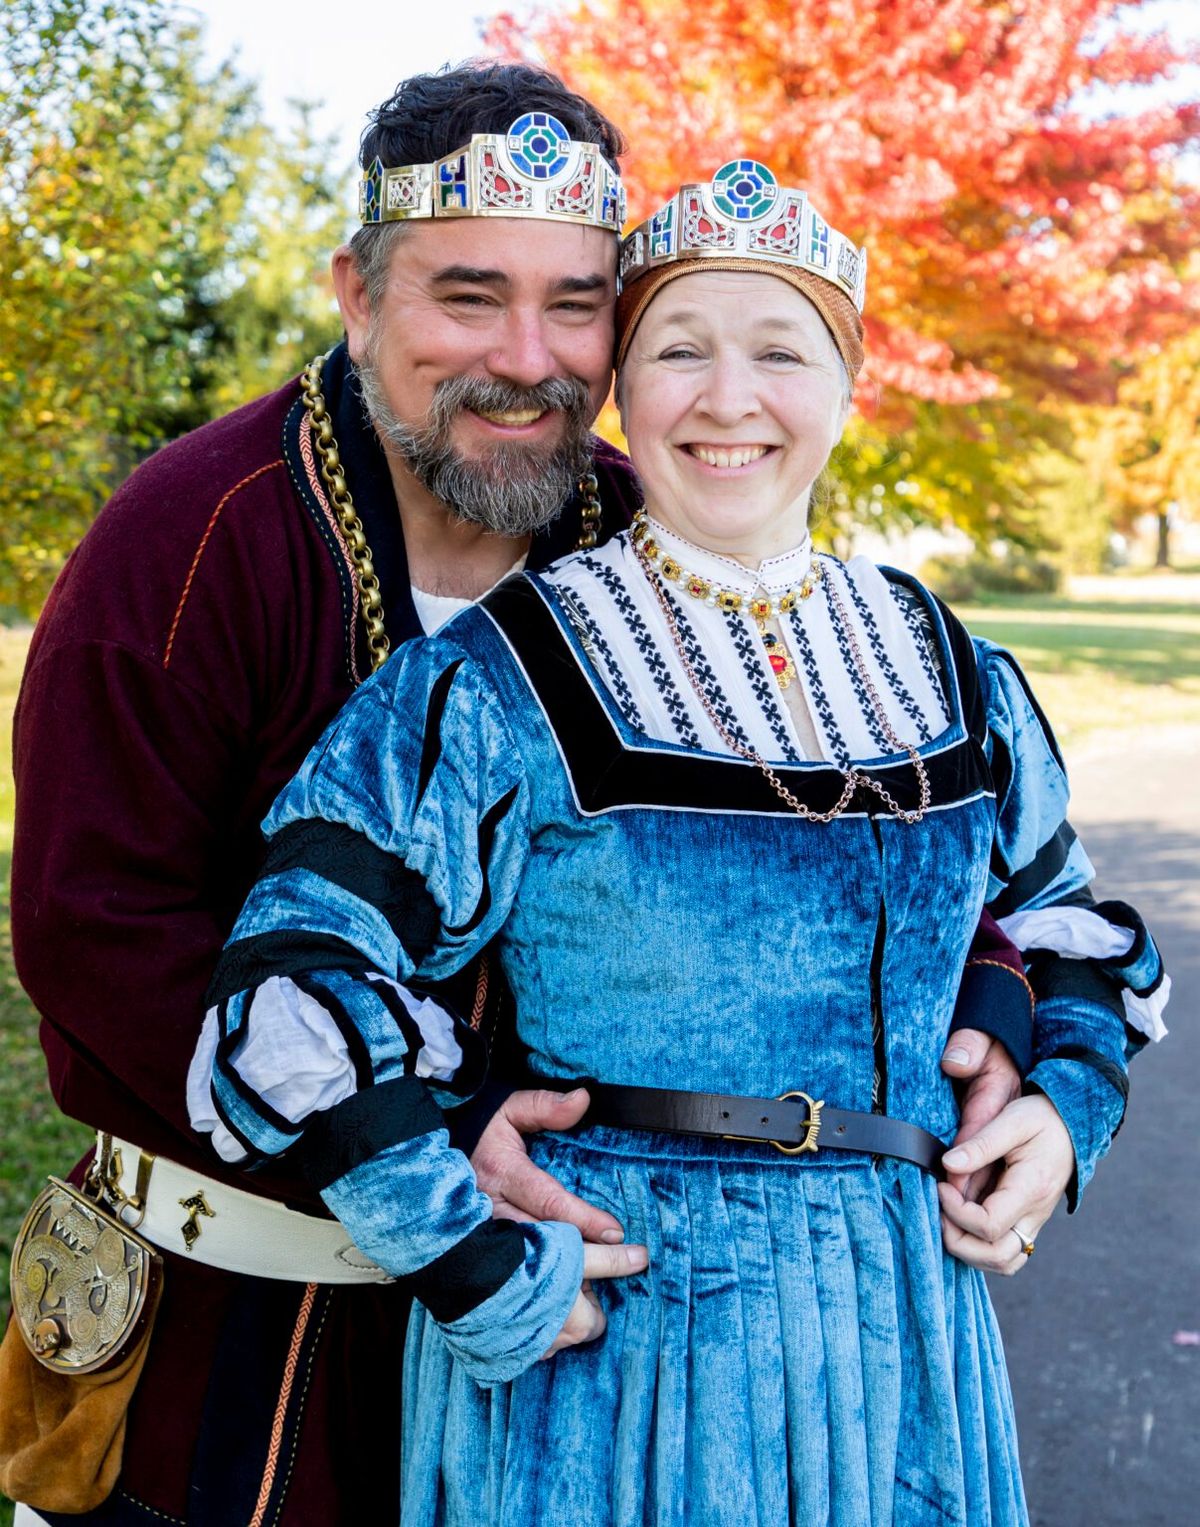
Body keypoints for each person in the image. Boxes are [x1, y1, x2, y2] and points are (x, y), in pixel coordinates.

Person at [5, 65, 1035, 1524]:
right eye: (469, 297)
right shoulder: (188, 542)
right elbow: (92, 930)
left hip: (595, 1348)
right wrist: (430, 1127)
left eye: (576, 304)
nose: (530, 358)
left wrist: (992, 998)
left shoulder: (648, 528)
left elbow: (850, 831)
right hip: (248, 1309)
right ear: (356, 294)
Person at [191, 162, 1166, 1525]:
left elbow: (1071, 933)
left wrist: (1065, 1119)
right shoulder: (503, 679)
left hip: (908, 1337)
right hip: (620, 1341)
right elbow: (296, 976)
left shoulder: (951, 666)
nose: (727, 397)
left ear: (847, 386)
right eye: (677, 351)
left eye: (780, 350)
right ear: (622, 390)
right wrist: (469, 1263)